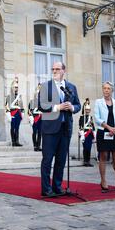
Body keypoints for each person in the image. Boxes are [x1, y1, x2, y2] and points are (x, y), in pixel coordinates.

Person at [38, 62, 81, 197]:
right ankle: (46, 189)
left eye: (57, 69)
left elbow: (78, 105)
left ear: (64, 71)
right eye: (53, 69)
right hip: (50, 129)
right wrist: (58, 107)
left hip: (65, 128)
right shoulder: (46, 86)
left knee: (61, 160)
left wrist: (72, 107)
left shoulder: (71, 87)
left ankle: (57, 186)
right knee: (47, 160)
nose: (55, 71)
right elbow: (41, 105)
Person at [93, 81, 115, 193]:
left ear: (112, 90)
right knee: (103, 156)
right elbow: (96, 118)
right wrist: (108, 127)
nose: (106, 90)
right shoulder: (98, 102)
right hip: (103, 131)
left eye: (108, 88)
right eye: (104, 88)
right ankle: (103, 181)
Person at [5, 77, 24, 147]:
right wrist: (8, 115)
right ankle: (13, 141)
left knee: (17, 128)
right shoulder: (9, 96)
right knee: (12, 128)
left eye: (17, 87)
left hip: (18, 113)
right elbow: (6, 106)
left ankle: (17, 141)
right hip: (12, 113)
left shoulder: (19, 96)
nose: (16, 89)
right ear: (12, 88)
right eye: (15, 87)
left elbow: (22, 106)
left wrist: (22, 113)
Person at [78, 98, 95, 167]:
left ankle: (88, 161)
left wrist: (94, 133)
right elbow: (80, 126)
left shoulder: (91, 117)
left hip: (90, 134)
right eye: (86, 110)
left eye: (88, 110)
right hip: (84, 134)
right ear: (85, 110)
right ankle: (85, 161)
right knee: (85, 148)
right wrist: (82, 134)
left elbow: (92, 126)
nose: (87, 111)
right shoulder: (82, 117)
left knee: (89, 148)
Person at [28, 83, 42, 151]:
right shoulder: (32, 101)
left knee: (40, 132)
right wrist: (31, 118)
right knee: (34, 132)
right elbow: (29, 111)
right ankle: (35, 146)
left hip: (41, 118)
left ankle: (38, 145)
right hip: (35, 118)